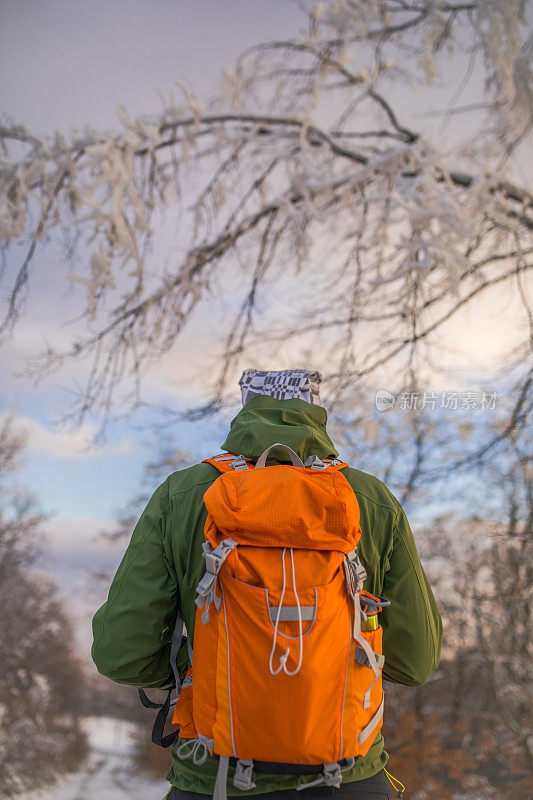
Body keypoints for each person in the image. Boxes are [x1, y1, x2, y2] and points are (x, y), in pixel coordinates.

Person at [92, 369, 442, 800]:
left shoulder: (182, 495)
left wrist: (211, 678)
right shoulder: (370, 500)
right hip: (348, 777)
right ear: (315, 411)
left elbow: (121, 653)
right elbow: (415, 662)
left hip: (212, 774)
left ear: (245, 408)